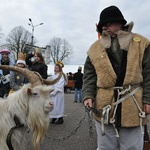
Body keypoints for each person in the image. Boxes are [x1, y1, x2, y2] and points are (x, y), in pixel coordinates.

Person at [82, 5, 150, 150]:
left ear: (119, 23)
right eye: (103, 25)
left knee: (132, 147)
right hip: (104, 105)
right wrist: (88, 95)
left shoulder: (141, 43)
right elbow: (89, 75)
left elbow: (149, 73)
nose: (105, 28)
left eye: (108, 24)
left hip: (132, 104)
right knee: (105, 147)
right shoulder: (95, 48)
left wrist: (148, 99)